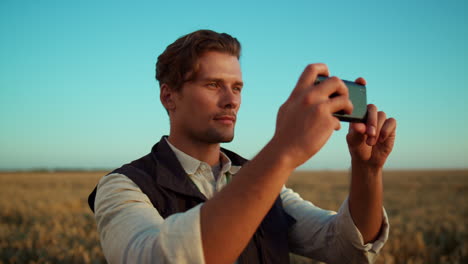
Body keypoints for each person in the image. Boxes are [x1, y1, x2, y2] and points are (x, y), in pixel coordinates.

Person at [88, 29, 396, 264]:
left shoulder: (257, 177)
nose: (231, 99)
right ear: (169, 97)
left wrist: (367, 169)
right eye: (213, 85)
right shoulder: (121, 187)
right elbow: (159, 257)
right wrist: (284, 148)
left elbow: (343, 245)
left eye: (237, 87)